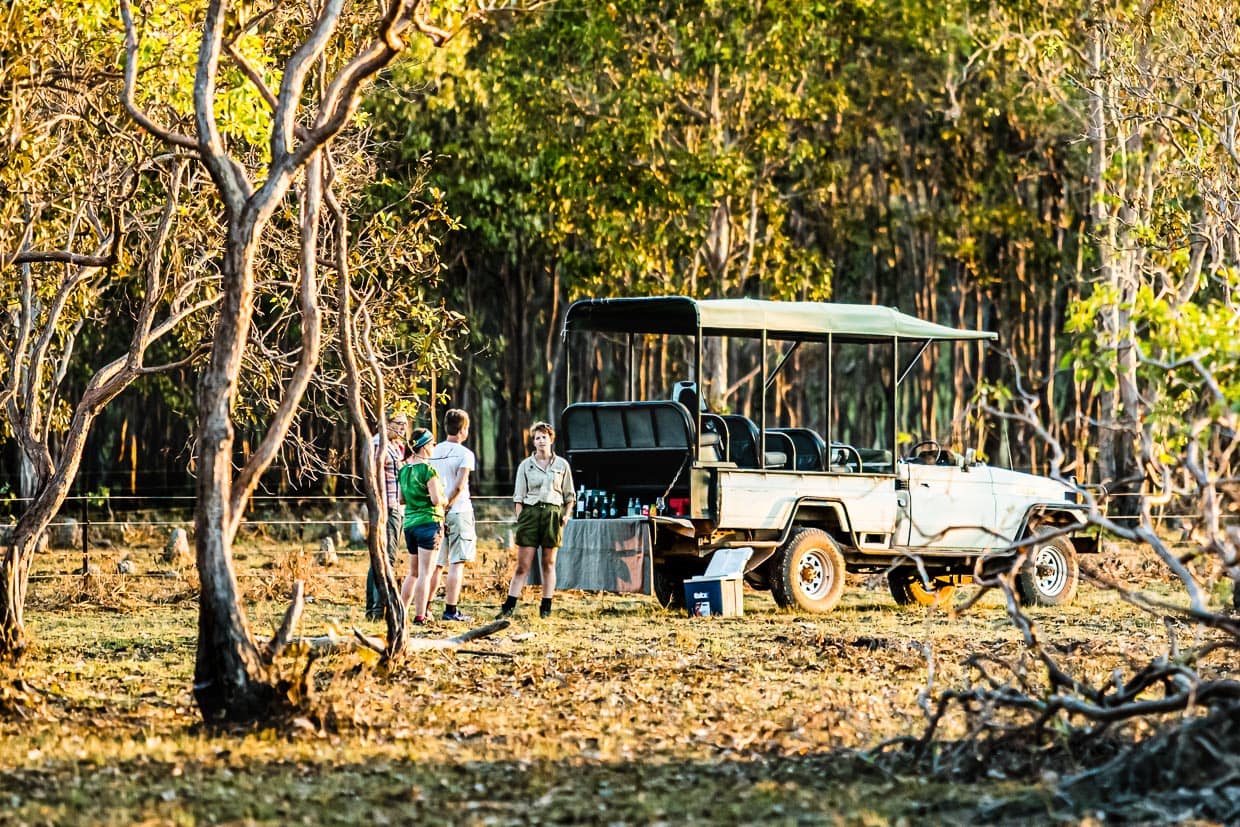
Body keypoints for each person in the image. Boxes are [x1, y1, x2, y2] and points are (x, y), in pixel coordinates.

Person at [497, 421, 576, 619]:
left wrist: (566, 514)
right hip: (531, 513)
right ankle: (509, 605)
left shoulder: (561, 465)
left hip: (552, 513)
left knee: (548, 562)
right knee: (523, 565)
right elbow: (518, 496)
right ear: (533, 442)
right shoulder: (526, 465)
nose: (541, 441)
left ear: (551, 439)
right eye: (537, 438)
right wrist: (521, 517)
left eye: (544, 437)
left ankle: (546, 606)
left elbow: (570, 495)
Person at [428, 409, 477, 622]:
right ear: (463, 429)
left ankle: (426, 607)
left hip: (436, 512)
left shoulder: (434, 451)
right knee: (457, 562)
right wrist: (449, 505)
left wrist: (440, 506)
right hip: (459, 511)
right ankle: (451, 609)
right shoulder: (465, 454)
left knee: (436, 563)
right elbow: (459, 486)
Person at [398, 427, 445, 626]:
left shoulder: (404, 470)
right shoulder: (428, 470)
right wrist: (445, 498)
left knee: (413, 572)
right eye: (433, 444)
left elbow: (401, 499)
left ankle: (400, 613)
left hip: (409, 525)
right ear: (425, 447)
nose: (434, 447)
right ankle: (420, 616)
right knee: (426, 573)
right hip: (428, 523)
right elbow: (435, 500)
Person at [365, 411, 407, 621]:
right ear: (386, 422)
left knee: (382, 557)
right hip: (386, 508)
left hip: (396, 507)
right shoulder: (377, 445)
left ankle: (374, 609)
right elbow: (373, 477)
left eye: (406, 424)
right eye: (399, 423)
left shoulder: (395, 446)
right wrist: (381, 508)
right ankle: (377, 609)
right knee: (385, 558)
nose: (403, 428)